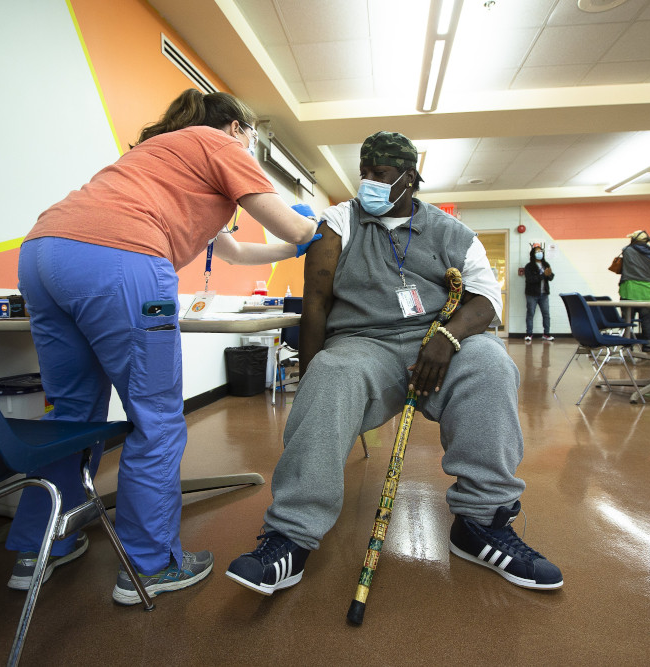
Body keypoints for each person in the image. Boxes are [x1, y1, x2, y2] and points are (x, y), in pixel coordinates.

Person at [5, 89, 319, 605]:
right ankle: (149, 566)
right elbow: (287, 221)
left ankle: (43, 545)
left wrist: (294, 244)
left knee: (69, 413)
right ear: (238, 129)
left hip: (43, 254)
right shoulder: (219, 143)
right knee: (156, 417)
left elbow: (235, 250)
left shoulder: (156, 157)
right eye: (251, 136)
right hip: (121, 257)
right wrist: (318, 231)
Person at [225, 131, 563, 596]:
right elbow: (317, 304)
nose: (368, 184)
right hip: (364, 344)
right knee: (331, 372)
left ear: (409, 179)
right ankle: (291, 535)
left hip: (440, 339)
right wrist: (309, 378)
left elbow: (487, 300)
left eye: (379, 175)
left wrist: (446, 336)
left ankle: (481, 522)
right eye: (363, 174)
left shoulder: (452, 233)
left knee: (491, 364)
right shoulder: (337, 223)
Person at [619, 230, 650, 351]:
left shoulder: (627, 251)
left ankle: (627, 344)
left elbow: (624, 251)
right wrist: (649, 282)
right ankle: (648, 345)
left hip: (629, 290)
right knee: (648, 320)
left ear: (633, 240)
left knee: (627, 319)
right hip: (648, 292)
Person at [523, 244, 554, 342]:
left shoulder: (546, 264)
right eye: (537, 252)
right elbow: (530, 279)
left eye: (540, 251)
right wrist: (543, 275)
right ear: (533, 254)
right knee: (530, 313)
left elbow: (551, 277)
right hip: (532, 294)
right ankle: (529, 334)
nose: (539, 253)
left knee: (546, 314)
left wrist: (549, 275)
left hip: (544, 294)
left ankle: (546, 334)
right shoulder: (529, 266)